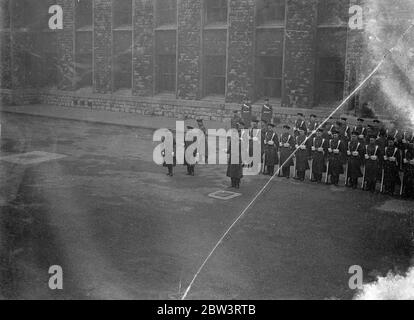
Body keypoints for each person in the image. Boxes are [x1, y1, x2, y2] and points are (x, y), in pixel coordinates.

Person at [227, 121, 244, 189]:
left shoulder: (241, 138)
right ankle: (232, 183)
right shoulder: (233, 137)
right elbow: (230, 146)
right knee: (231, 170)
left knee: (237, 171)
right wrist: (228, 152)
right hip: (232, 156)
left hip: (238, 156)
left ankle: (237, 184)